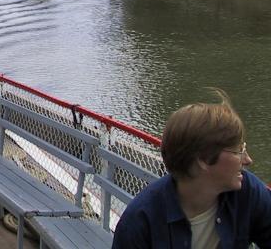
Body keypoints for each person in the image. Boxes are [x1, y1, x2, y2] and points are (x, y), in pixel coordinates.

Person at [112, 89, 271, 248]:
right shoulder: (139, 223)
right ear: (204, 159)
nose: (248, 160)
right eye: (238, 151)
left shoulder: (247, 192)